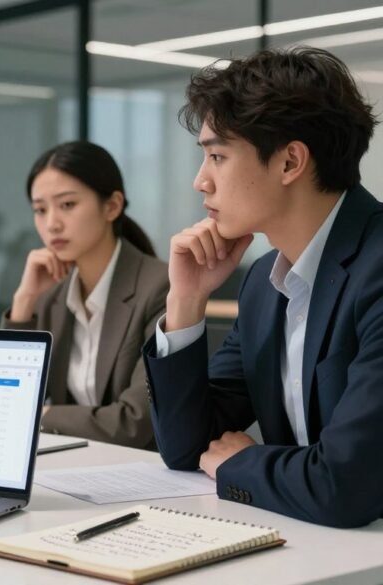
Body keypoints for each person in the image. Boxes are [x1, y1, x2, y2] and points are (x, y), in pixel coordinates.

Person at [143, 47, 383, 527]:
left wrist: (241, 463)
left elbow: (345, 485)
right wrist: (186, 301)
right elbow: (189, 447)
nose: (200, 181)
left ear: (290, 161)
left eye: (217, 156)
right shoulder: (264, 282)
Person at [0, 141, 168, 448]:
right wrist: (24, 302)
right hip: (77, 466)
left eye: (67, 205)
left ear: (112, 206)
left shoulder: (159, 287)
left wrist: (43, 415)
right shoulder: (51, 296)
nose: (51, 223)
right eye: (40, 210)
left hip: (144, 473)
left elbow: (136, 423)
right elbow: (6, 403)